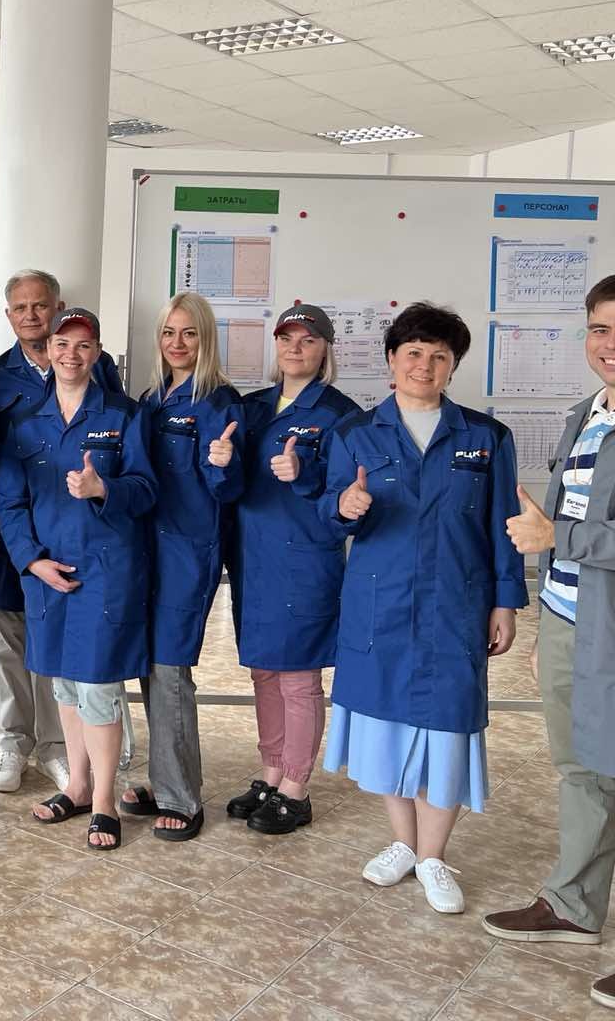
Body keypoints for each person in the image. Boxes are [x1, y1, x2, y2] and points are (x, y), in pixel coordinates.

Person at [319, 302, 524, 915]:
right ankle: (403, 844)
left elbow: (504, 525)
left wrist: (506, 601)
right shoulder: (355, 433)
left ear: (453, 366)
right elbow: (327, 511)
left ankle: (434, 856)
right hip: (379, 604)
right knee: (385, 728)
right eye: (413, 353)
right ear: (391, 360)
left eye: (439, 356)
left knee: (447, 727)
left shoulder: (485, 438)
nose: (424, 365)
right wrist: (344, 508)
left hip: (456, 604)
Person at [485, 275, 615, 1011]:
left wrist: (558, 538)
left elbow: (559, 532)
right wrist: (545, 626)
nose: (610, 344)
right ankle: (573, 905)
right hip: (572, 620)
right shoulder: (585, 416)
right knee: (581, 769)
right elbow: (553, 528)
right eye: (600, 328)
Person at [0, 308, 155, 850]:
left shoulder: (125, 416)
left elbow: (147, 490)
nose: (71, 354)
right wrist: (31, 561)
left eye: (83, 345)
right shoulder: (25, 423)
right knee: (64, 684)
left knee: (98, 686)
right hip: (48, 573)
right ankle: (79, 785)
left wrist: (103, 489)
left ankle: (105, 800)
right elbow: (9, 503)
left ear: (97, 353)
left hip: (106, 573)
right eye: (62, 343)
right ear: (49, 349)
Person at [0, 269, 123, 793]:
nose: (31, 315)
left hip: (76, 535)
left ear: (58, 307)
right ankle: (11, 744)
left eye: (40, 305)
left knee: (60, 641)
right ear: (8, 315)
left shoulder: (99, 367)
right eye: (20, 308)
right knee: (8, 642)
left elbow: (115, 447)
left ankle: (59, 747)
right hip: (11, 537)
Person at [226, 305, 359, 835]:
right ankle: (271, 773)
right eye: (287, 338)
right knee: (264, 671)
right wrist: (220, 461)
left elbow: (346, 499)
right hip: (254, 558)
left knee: (299, 678)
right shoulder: (252, 407)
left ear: (325, 348)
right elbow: (234, 482)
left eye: (308, 339)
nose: (296, 348)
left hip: (305, 559)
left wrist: (305, 472)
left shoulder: (341, 415)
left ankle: (296, 789)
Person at [118, 291, 242, 842]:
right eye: (169, 332)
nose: (177, 342)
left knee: (170, 669)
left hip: (188, 551)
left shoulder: (218, 402)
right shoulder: (152, 398)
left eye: (189, 333)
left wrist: (223, 463)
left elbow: (228, 489)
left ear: (206, 338)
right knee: (150, 666)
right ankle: (164, 776)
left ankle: (181, 798)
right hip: (146, 547)